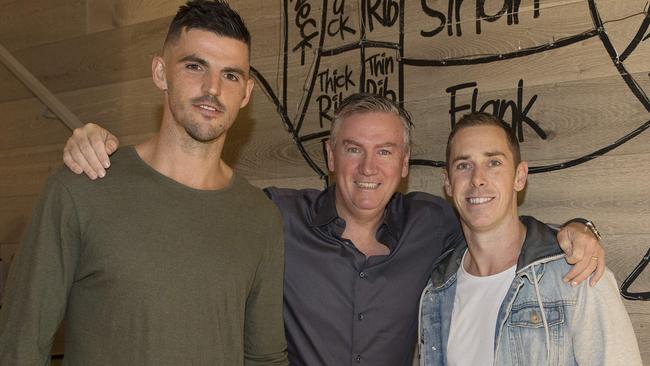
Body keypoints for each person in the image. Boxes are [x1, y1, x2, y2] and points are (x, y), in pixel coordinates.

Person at [59, 94, 605, 366]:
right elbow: (191, 199)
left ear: (406, 162)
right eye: (353, 149)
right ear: (329, 155)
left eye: (385, 151)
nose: (368, 168)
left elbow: (496, 218)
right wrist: (111, 155)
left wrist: (576, 230)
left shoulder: (436, 224)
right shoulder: (273, 216)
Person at [0, 1, 287, 365]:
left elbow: (265, 358)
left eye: (230, 75)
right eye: (195, 66)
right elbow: (19, 346)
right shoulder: (84, 187)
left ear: (245, 94)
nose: (212, 88)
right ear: (160, 72)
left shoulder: (261, 218)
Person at [418, 112, 641, 366]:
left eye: (493, 163)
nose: (477, 179)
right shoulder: (437, 287)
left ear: (519, 176)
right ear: (447, 183)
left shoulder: (576, 270)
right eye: (463, 165)